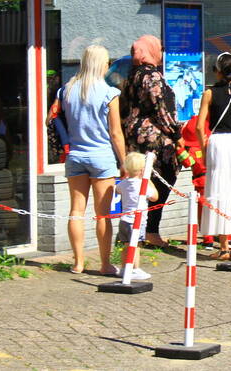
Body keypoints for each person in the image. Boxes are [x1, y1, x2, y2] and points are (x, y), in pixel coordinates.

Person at [62, 45, 126, 275]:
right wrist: (124, 161)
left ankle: (78, 262)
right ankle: (105, 264)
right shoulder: (109, 93)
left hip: (76, 154)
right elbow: (116, 133)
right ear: (102, 64)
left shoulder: (67, 90)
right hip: (102, 157)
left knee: (76, 211)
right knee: (103, 215)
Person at [121, 34, 182, 248]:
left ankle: (135, 229)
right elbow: (161, 108)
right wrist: (176, 134)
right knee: (161, 182)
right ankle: (151, 231)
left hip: (133, 135)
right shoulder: (152, 76)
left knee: (140, 183)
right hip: (155, 139)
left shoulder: (131, 76)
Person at [198, 52, 231, 260]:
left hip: (218, 142)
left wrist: (204, 149)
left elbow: (200, 126)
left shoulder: (209, 94)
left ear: (216, 71)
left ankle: (224, 247)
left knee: (219, 191)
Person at [115, 152, 159, 278]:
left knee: (126, 245)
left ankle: (124, 268)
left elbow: (117, 189)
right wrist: (149, 180)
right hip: (137, 221)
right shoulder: (142, 185)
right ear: (142, 170)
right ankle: (135, 269)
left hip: (124, 220)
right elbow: (155, 197)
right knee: (136, 246)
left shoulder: (123, 183)